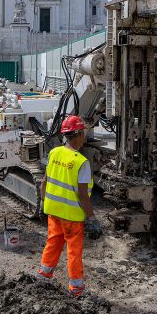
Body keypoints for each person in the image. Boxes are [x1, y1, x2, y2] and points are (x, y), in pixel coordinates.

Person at [36, 115, 102, 297]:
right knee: (73, 251)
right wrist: (92, 218)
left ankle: (44, 274)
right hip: (72, 216)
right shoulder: (81, 162)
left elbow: (44, 182)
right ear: (78, 134)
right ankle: (76, 288)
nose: (85, 137)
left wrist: (43, 204)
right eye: (83, 133)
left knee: (53, 242)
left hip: (53, 210)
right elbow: (82, 195)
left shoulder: (54, 152)